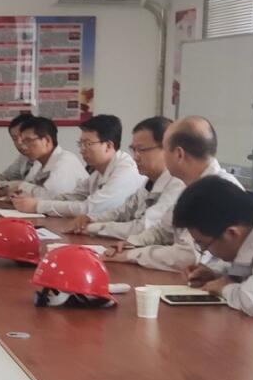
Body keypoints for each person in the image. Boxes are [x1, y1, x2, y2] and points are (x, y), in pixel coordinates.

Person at [104, 116, 242, 271]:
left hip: (212, 279)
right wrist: (132, 244)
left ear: (178, 154)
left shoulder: (217, 191)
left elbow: (188, 257)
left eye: (164, 149)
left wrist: (132, 255)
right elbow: (164, 228)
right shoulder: (191, 183)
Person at [68, 117, 185, 239]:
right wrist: (91, 219)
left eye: (141, 150)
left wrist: (92, 228)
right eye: (133, 149)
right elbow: (123, 211)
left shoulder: (178, 184)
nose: (135, 157)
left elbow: (145, 227)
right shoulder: (149, 181)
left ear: (166, 149)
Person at [13, 114, 145, 217]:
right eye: (80, 144)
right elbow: (72, 197)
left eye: (87, 144)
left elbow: (89, 209)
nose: (81, 150)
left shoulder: (126, 171)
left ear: (108, 146)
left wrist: (38, 206)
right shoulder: (98, 172)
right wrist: (34, 201)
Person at [171, 176, 253, 317]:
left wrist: (224, 288)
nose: (205, 250)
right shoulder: (250, 236)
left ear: (232, 233)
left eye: (203, 244)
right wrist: (215, 273)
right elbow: (247, 267)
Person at [0, 116, 86, 199]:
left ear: (47, 140)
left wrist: (20, 186)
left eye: (28, 140)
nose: (23, 146)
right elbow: (30, 188)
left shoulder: (65, 161)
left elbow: (51, 196)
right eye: (23, 141)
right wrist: (10, 190)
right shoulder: (40, 163)